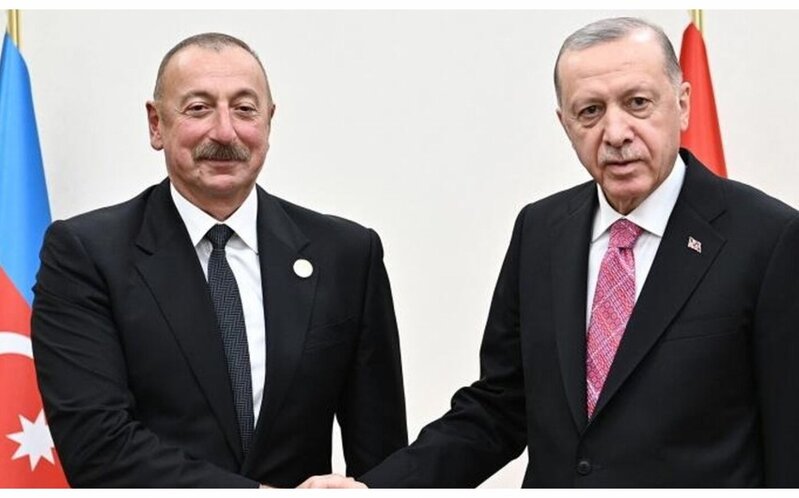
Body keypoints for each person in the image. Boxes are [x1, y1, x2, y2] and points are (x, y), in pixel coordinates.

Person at [302, 16, 799, 488]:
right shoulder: (540, 230)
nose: (616, 133)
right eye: (590, 111)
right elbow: (500, 407)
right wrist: (377, 488)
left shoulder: (768, 238)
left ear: (682, 104)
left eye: (638, 103)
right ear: (565, 124)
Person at [31, 32, 407, 488]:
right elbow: (98, 448)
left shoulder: (346, 254)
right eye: (198, 108)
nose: (225, 132)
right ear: (156, 124)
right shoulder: (86, 254)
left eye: (245, 109)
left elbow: (382, 459)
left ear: (269, 122)